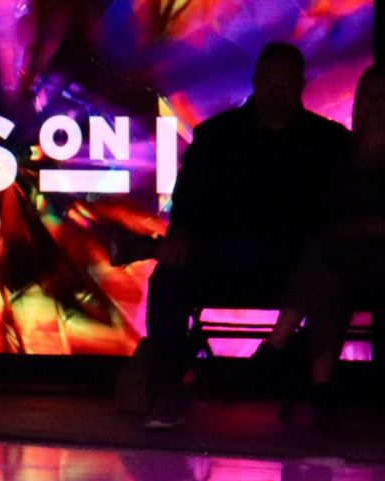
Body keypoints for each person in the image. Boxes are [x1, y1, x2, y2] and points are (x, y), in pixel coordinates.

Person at [141, 42, 352, 429]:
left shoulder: (329, 142)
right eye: (268, 81)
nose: (275, 91)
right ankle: (168, 390)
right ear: (255, 82)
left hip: (296, 268)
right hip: (222, 259)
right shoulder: (217, 137)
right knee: (168, 278)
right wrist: (180, 234)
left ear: (301, 85)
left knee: (333, 273)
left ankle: (320, 393)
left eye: (285, 82)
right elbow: (186, 202)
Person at [255, 64, 385, 426]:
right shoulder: (341, 150)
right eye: (370, 96)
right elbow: (321, 209)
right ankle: (321, 392)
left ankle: (277, 345)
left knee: (329, 257)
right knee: (331, 278)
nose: (376, 105)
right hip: (345, 258)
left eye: (384, 98)